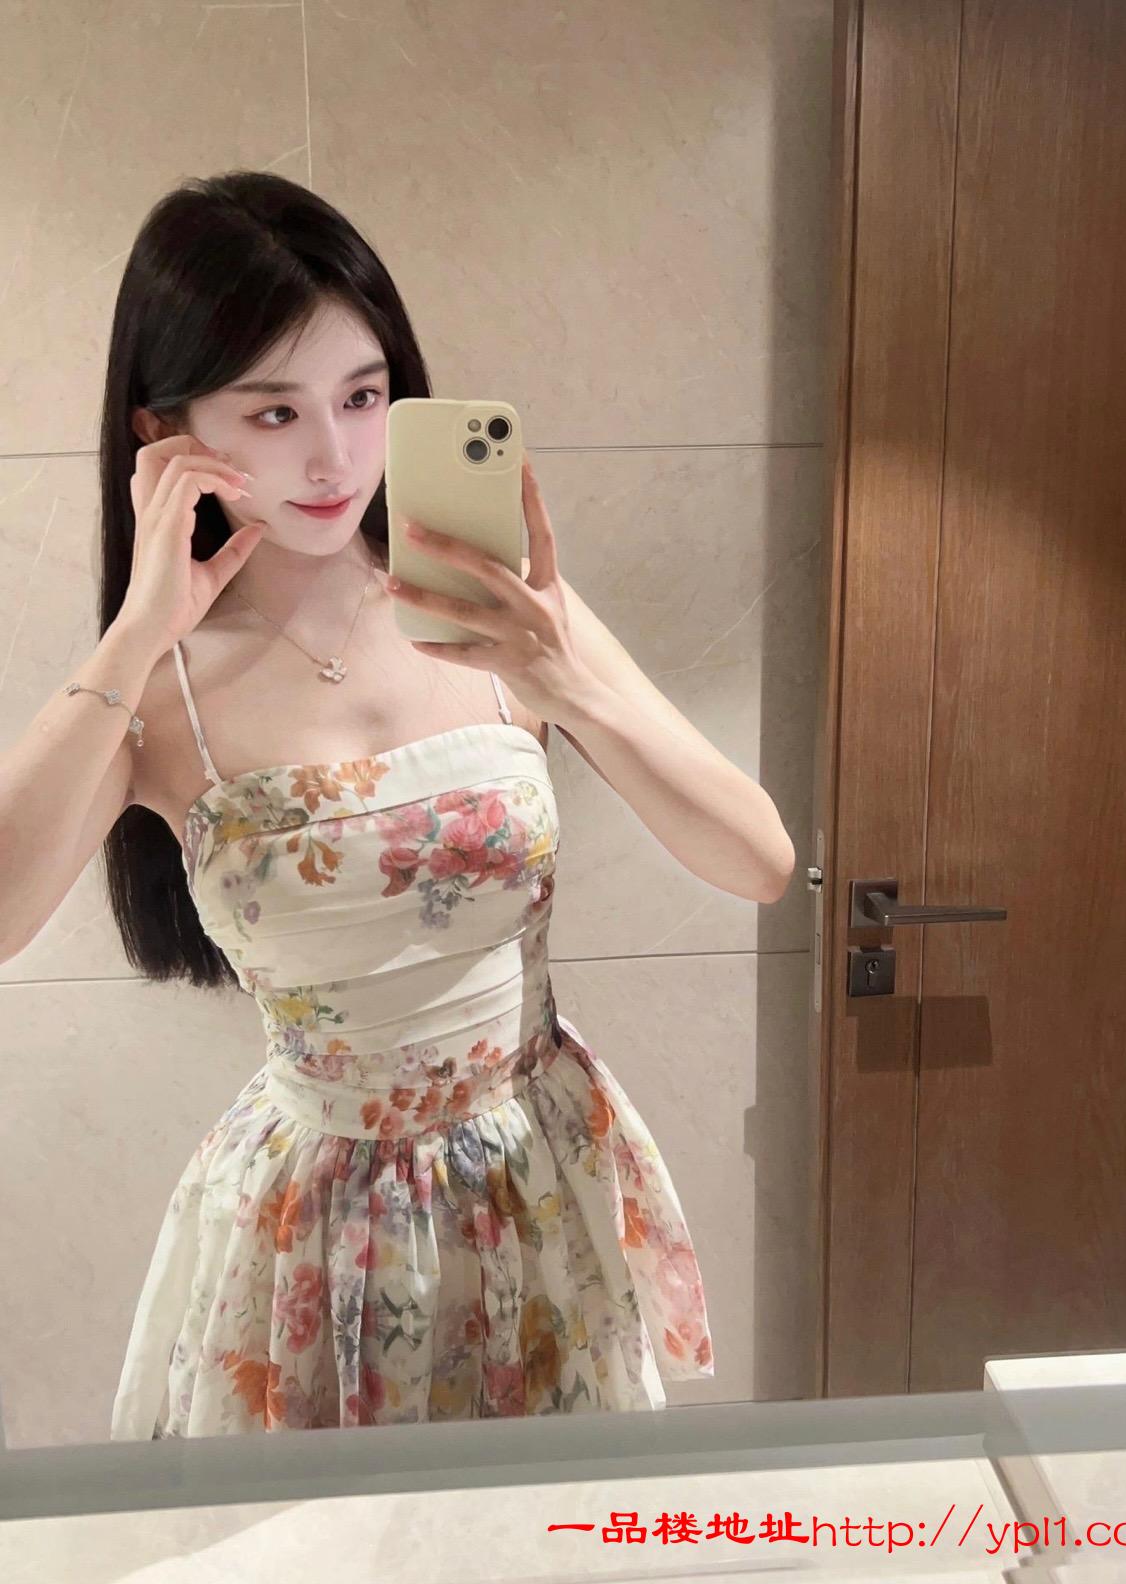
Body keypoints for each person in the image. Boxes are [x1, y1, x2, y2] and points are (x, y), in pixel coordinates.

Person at [0, 171, 795, 1436]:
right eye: (274, 411)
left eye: (363, 397)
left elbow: (759, 859)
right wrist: (138, 633)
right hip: (309, 1232)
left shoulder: (499, 608)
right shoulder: (156, 688)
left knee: (544, 1532)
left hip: (535, 1180)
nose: (333, 457)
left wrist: (567, 681)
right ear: (165, 435)